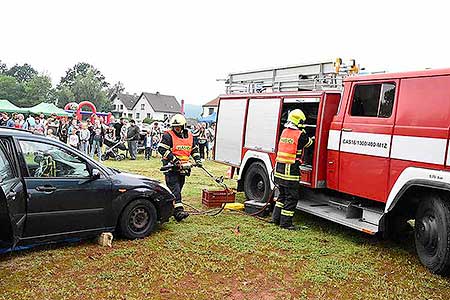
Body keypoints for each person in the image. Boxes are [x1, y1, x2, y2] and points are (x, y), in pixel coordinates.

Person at [271, 109, 314, 230]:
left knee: (282, 196)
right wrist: (310, 135)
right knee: (291, 198)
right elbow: (310, 144)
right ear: (299, 121)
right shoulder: (300, 135)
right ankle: (285, 223)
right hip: (290, 172)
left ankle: (275, 219)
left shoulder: (284, 131)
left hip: (279, 169)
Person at [158, 114, 201, 222]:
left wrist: (198, 160)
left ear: (183, 126)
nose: (177, 128)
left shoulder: (190, 136)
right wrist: (174, 160)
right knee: (175, 188)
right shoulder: (168, 135)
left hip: (183, 168)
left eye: (179, 126)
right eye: (175, 126)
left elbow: (193, 149)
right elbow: (161, 149)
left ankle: (168, 207)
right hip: (171, 167)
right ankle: (178, 212)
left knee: (178, 188)